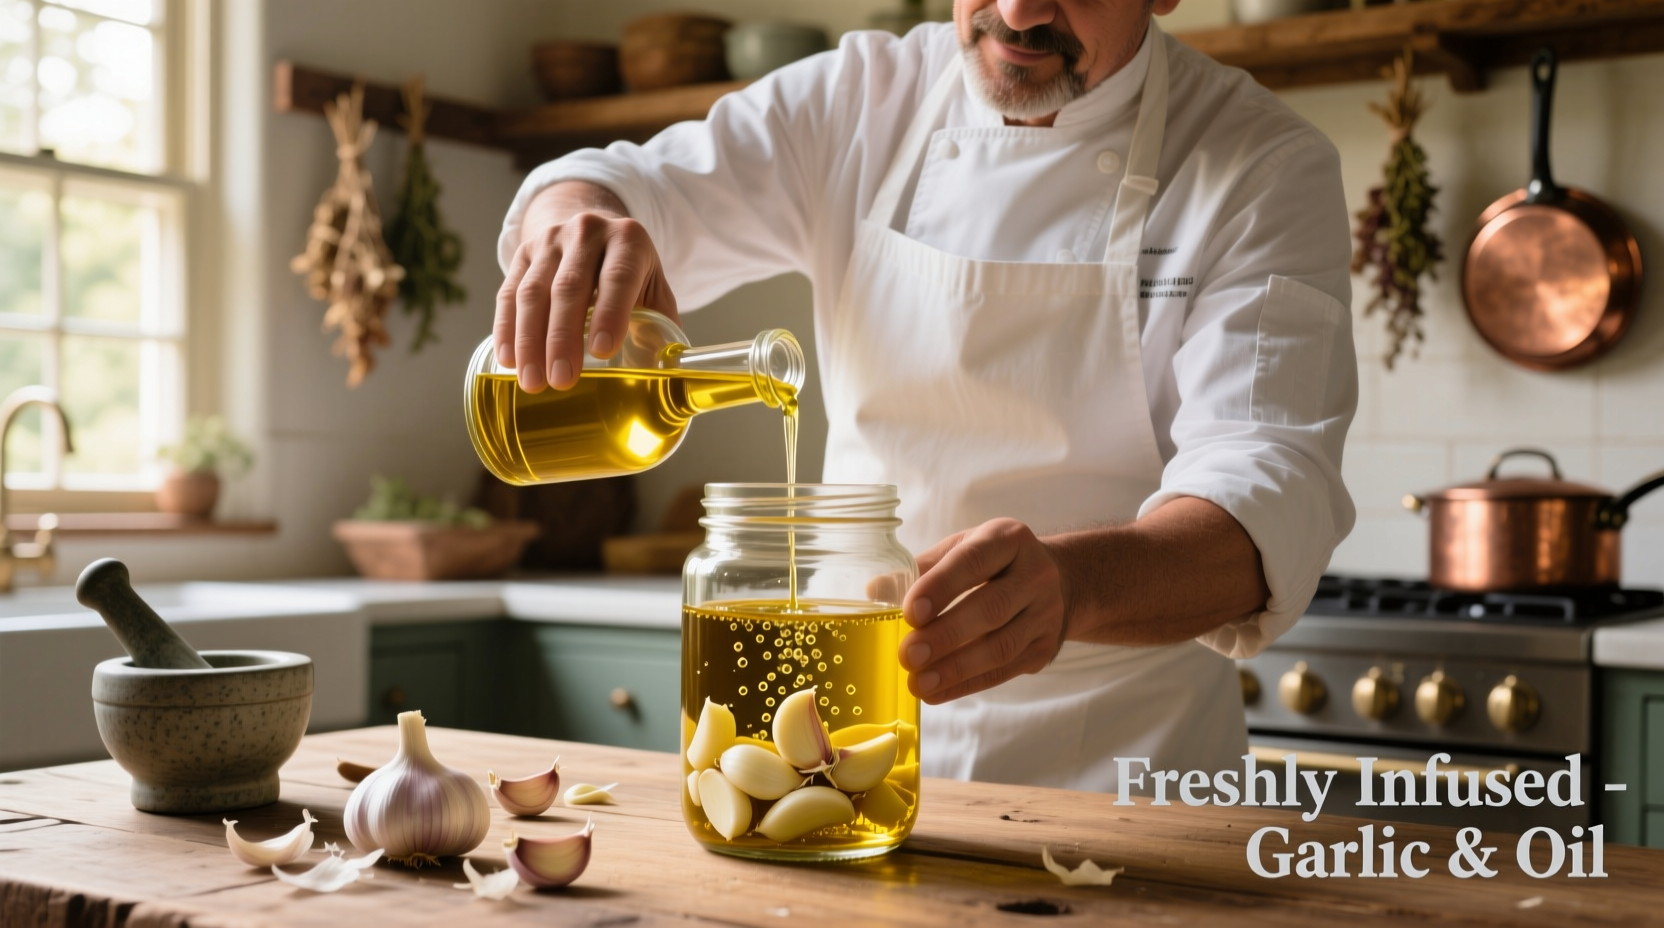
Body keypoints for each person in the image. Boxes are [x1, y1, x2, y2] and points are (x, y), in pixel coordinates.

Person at [494, 0, 1357, 792]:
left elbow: (1266, 495)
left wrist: (1071, 586)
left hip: (1129, 768)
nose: (1019, 12)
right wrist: (576, 219)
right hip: (837, 750)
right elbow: (628, 183)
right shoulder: (863, 98)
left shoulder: (1262, 166)